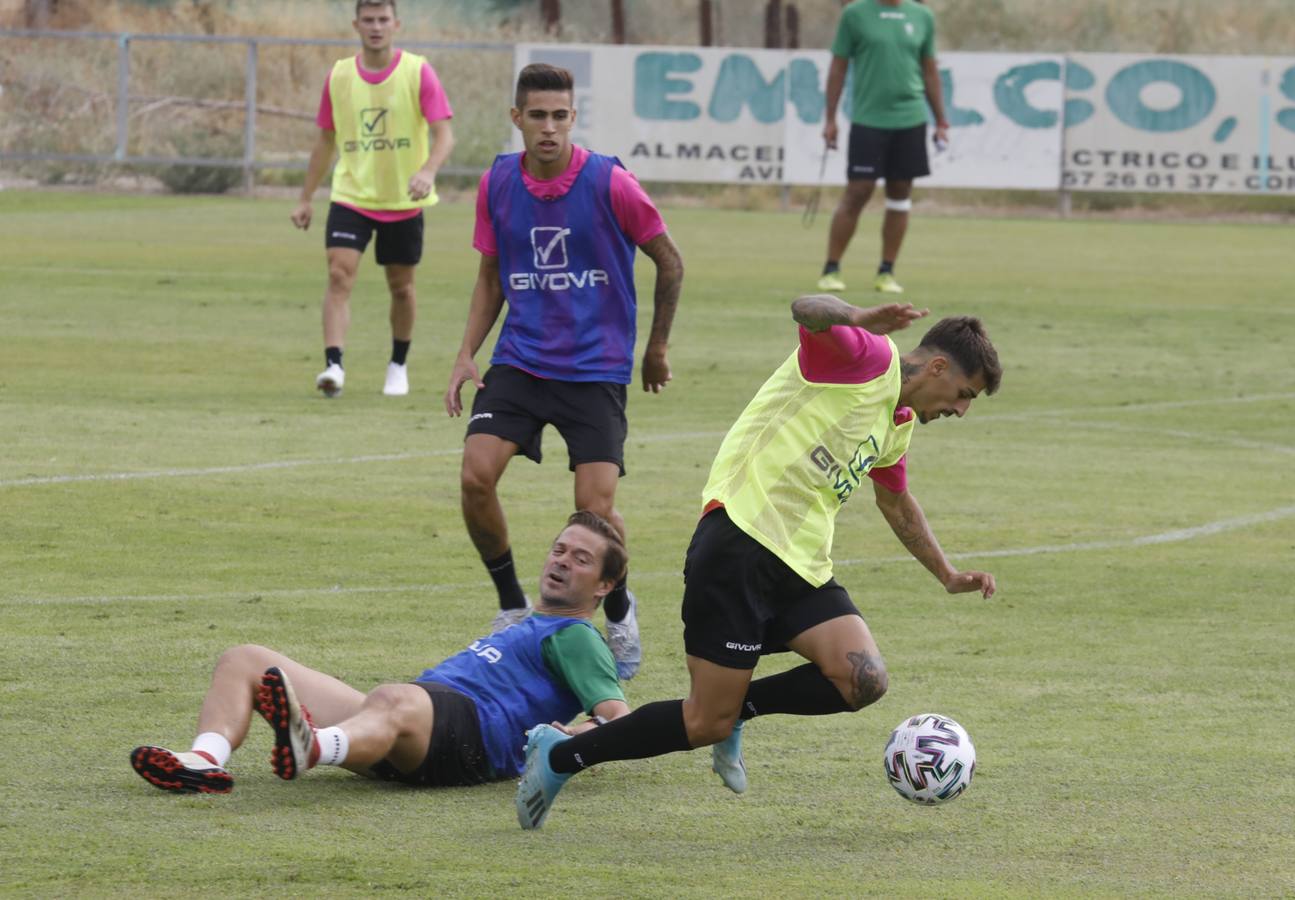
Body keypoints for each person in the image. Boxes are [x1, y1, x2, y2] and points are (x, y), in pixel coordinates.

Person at [513, 295, 1002, 829]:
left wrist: (947, 573)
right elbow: (805, 307)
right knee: (704, 721)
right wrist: (855, 319)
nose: (960, 410)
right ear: (937, 367)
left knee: (863, 680)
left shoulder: (898, 421)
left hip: (802, 566)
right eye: (963, 394)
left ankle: (739, 707)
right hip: (739, 544)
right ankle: (559, 757)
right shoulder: (866, 357)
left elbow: (895, 500)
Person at [444, 63, 684, 681]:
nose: (548, 128)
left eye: (559, 116)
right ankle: (509, 606)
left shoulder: (610, 182)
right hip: (521, 360)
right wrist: (468, 351)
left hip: (595, 368)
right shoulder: (498, 181)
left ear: (572, 119)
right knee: (475, 477)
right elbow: (492, 276)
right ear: (516, 118)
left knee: (593, 515)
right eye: (537, 116)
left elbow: (670, 262)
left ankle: (621, 609)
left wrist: (655, 348)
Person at [130, 512, 630, 794]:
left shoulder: (578, 637)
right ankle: (204, 760)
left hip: (468, 738)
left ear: (604, 585)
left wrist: (568, 739)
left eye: (581, 559)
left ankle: (314, 747)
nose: (562, 561)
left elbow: (619, 718)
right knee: (245, 660)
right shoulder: (535, 622)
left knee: (396, 698)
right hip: (406, 724)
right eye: (560, 549)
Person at [291, 0, 456, 398]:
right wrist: (305, 197)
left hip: (403, 201)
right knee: (338, 274)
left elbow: (445, 135)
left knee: (401, 287)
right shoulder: (340, 76)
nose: (376, 26)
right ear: (356, 25)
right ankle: (334, 366)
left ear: (396, 24)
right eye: (369, 20)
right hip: (351, 196)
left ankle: (398, 364)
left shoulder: (417, 71)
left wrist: (427, 171)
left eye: (383, 19)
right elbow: (325, 141)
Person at [817, 0, 948, 295]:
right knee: (858, 192)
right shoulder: (855, 14)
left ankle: (886, 271)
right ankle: (831, 268)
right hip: (868, 120)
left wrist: (941, 119)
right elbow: (838, 68)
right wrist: (830, 119)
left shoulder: (922, 16)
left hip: (911, 118)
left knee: (900, 195)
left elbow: (929, 71)